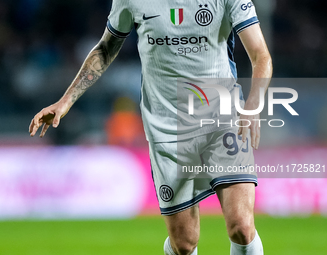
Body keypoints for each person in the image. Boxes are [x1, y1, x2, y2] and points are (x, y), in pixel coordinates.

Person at [29, 0, 272, 254]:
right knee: (185, 244)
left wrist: (253, 105)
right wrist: (65, 101)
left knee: (241, 228)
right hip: (167, 127)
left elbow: (261, 55)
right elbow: (105, 49)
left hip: (222, 117)